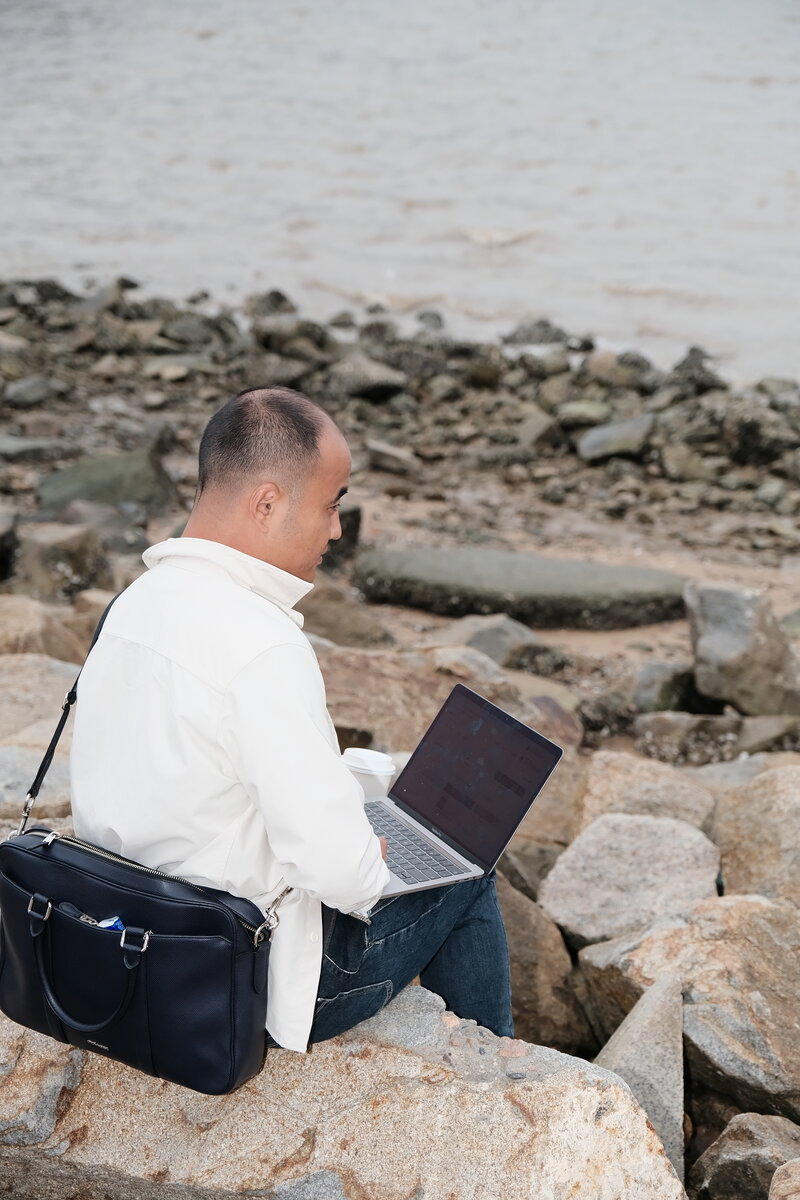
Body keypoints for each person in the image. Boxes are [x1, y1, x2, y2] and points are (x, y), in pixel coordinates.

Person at [69, 386, 513, 1053]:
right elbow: (340, 874)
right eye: (332, 504)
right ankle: (494, 1072)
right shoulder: (261, 643)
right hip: (235, 980)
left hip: (124, 937)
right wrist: (370, 858)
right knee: (471, 873)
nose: (337, 529)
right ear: (268, 503)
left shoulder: (134, 603)